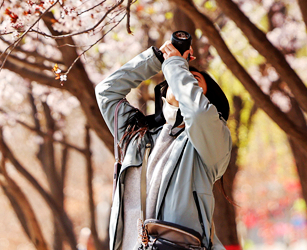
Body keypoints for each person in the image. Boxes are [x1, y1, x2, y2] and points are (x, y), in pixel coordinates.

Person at [96, 39, 232, 250]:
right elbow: (107, 91)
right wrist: (157, 59)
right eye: (177, 77)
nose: (182, 79)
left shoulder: (213, 140)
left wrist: (176, 65)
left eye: (192, 80)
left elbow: (198, 113)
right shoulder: (139, 136)